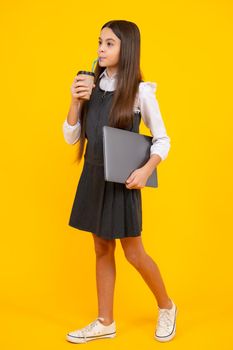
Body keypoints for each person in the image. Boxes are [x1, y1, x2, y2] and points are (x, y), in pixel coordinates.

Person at [62, 20, 177, 343]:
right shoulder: (90, 84)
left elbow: (163, 140)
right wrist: (74, 100)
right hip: (94, 177)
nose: (101, 48)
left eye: (109, 43)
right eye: (100, 41)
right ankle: (105, 321)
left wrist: (145, 170)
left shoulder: (140, 92)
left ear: (127, 49)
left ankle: (167, 306)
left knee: (134, 253)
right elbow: (72, 137)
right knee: (101, 248)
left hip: (123, 179)